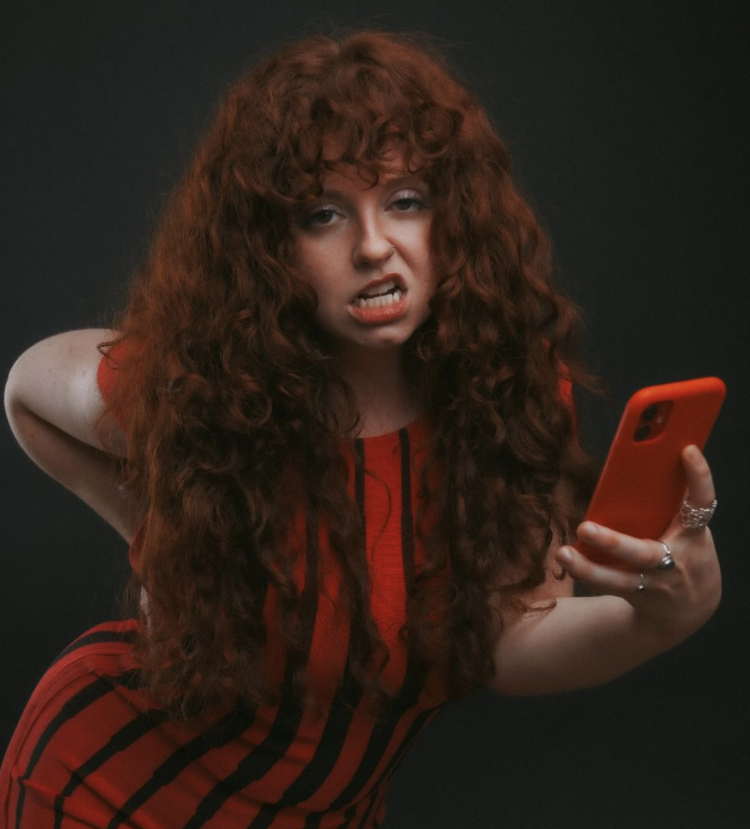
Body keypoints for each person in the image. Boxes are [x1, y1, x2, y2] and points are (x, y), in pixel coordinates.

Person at [1, 30, 720, 829]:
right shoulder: (216, 396)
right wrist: (180, 535)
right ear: (272, 247)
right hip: (109, 791)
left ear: (454, 214)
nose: (375, 245)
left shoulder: (509, 396)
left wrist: (662, 620)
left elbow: (513, 637)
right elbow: (28, 390)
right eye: (324, 214)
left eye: (406, 200)